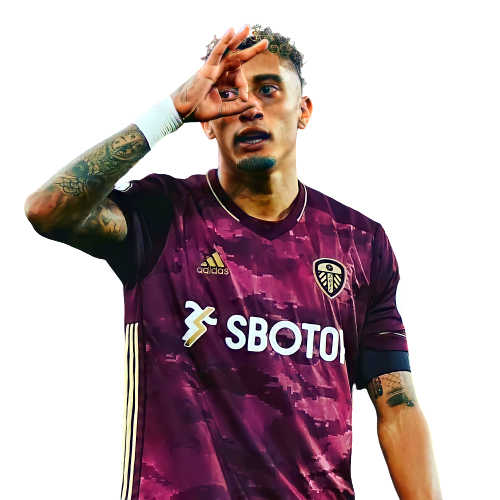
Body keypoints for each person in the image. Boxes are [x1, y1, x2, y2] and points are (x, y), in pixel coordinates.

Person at [24, 23, 441, 500]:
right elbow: (46, 209)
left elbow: (397, 406)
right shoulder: (162, 212)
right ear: (206, 121)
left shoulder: (360, 241)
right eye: (228, 93)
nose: (248, 107)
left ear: (303, 110)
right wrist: (170, 112)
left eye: (268, 89)